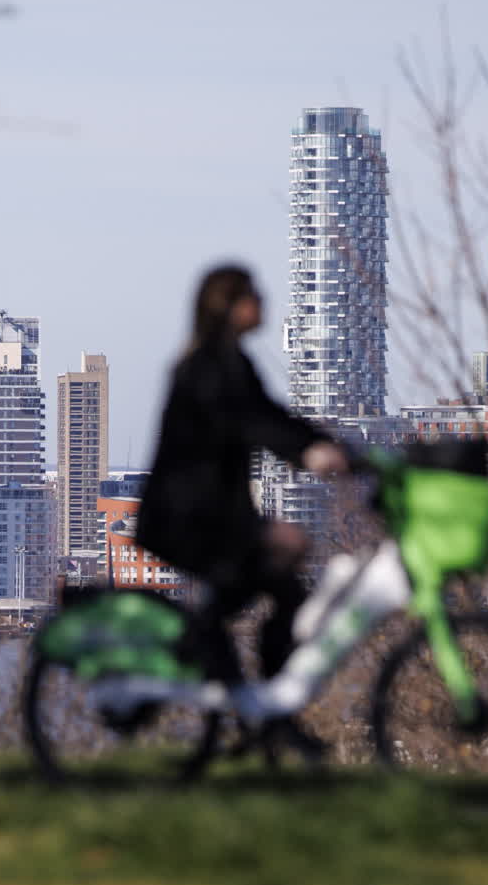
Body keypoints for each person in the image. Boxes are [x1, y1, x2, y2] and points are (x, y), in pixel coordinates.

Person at [135, 263, 349, 751]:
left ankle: (266, 713)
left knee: (285, 588)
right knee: (273, 575)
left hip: (216, 516)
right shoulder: (204, 369)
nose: (264, 305)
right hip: (187, 520)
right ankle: (255, 712)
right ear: (228, 307)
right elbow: (250, 424)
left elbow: (273, 416)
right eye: (253, 297)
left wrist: (332, 446)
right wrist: (309, 453)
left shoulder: (234, 363)